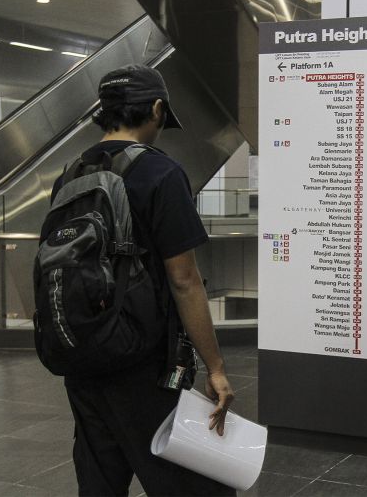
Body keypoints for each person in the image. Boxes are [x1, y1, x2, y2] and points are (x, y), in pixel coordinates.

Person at [52, 65, 236, 496]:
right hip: (143, 364)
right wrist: (216, 369)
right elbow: (185, 280)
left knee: (100, 482)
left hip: (81, 353)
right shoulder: (162, 174)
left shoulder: (71, 173)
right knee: (191, 482)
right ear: (156, 109)